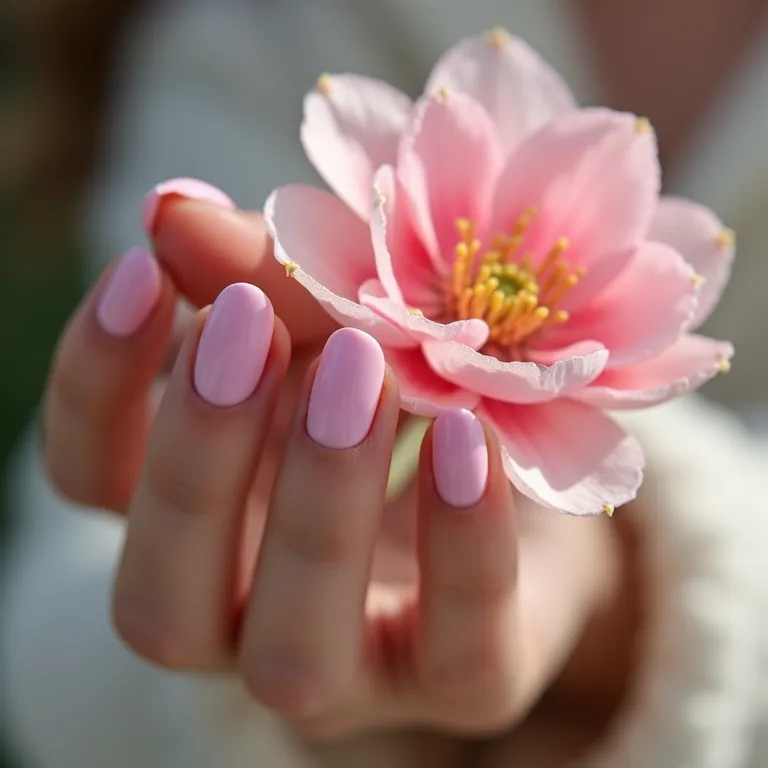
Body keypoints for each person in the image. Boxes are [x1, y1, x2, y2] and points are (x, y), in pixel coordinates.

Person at [2, 2, 768, 766]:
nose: (503, 285)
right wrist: (227, 699)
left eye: (517, 285)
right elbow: (54, 629)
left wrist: (633, 599)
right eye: (494, 276)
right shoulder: (258, 30)